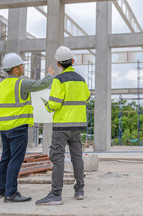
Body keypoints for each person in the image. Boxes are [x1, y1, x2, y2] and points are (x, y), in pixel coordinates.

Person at [0, 52, 55, 203]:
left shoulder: (1, 85)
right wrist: (49, 75)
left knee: (6, 159)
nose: (23, 68)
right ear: (15, 69)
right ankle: (11, 193)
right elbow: (42, 84)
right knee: (15, 160)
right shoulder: (21, 83)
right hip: (18, 128)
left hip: (4, 127)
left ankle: (1, 190)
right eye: (21, 65)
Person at [36, 46, 90, 205]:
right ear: (72, 61)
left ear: (59, 64)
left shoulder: (59, 80)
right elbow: (86, 97)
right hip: (77, 125)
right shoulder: (81, 79)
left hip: (61, 126)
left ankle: (56, 194)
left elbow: (54, 103)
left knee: (58, 158)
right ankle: (79, 190)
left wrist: (47, 107)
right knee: (77, 158)